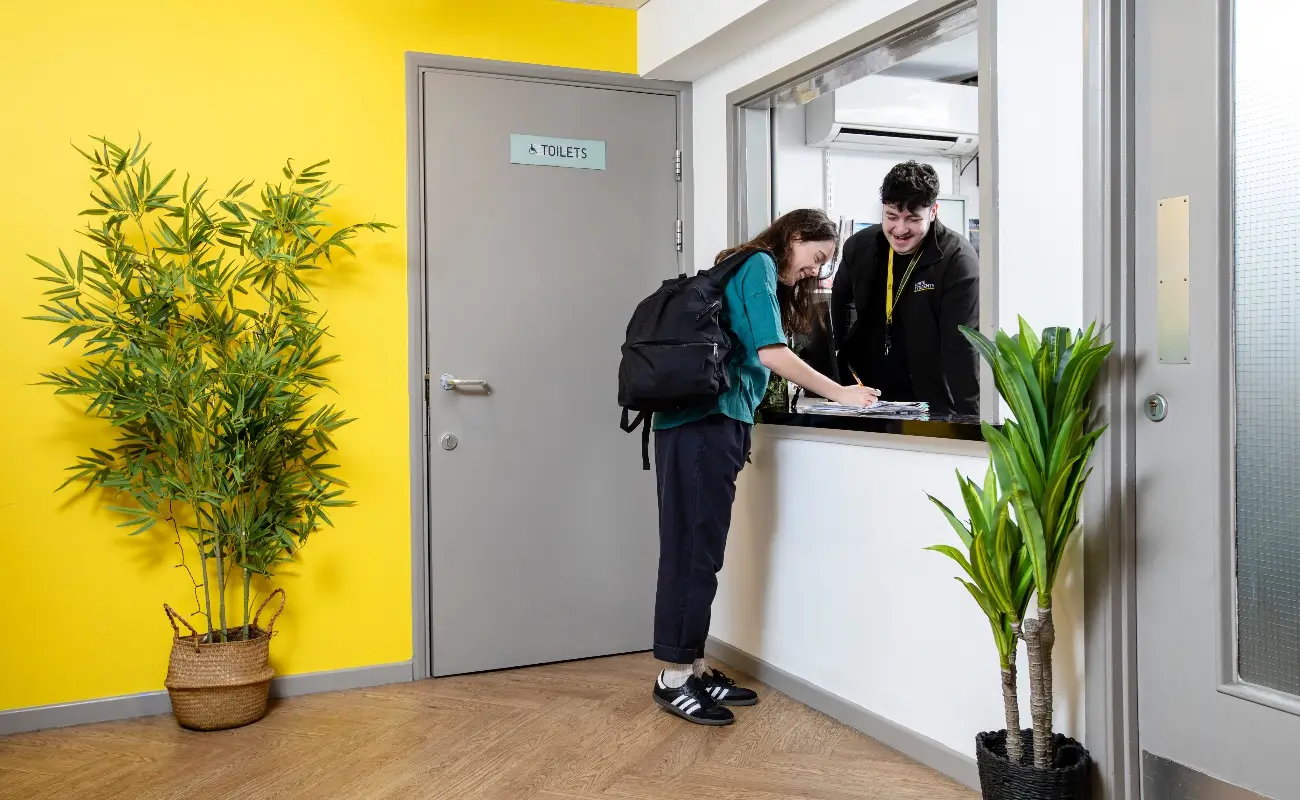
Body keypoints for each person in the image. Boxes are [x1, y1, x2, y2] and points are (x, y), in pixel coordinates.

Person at [649, 209, 880, 726]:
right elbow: (772, 354)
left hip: (710, 425)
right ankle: (673, 677)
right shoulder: (755, 263)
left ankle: (695, 665)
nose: (815, 271)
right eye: (816, 257)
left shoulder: (744, 268)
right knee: (691, 551)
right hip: (701, 426)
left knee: (701, 552)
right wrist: (840, 393)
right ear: (794, 238)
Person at [830, 161, 979, 415]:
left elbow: (963, 348)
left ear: (933, 212)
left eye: (912, 219)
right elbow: (839, 305)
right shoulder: (860, 247)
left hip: (932, 403)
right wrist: (838, 381)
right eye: (891, 216)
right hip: (869, 399)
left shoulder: (956, 259)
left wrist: (971, 422)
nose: (900, 230)